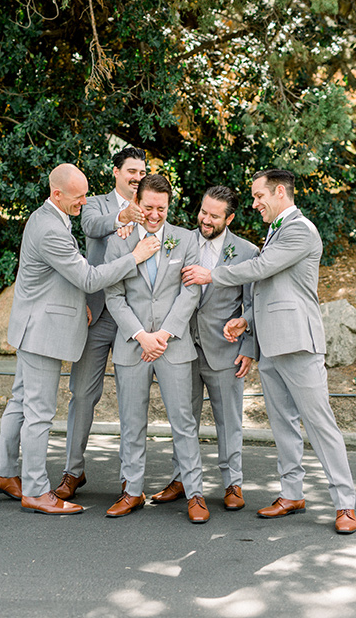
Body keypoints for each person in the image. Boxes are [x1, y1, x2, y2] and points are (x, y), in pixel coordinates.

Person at [182, 169, 356, 535]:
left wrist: (211, 275)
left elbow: (262, 267)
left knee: (320, 424)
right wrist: (246, 320)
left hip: (298, 342)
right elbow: (269, 289)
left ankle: (345, 503)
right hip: (271, 345)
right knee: (283, 425)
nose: (254, 203)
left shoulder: (299, 229)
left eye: (259, 196)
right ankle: (292, 494)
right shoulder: (276, 230)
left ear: (280, 192)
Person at [0, 163, 159, 515]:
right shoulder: (50, 228)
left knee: (21, 401)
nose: (83, 202)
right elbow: (89, 278)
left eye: (84, 195)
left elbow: (59, 277)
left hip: (35, 325)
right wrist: (134, 257)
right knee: (39, 412)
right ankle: (35, 490)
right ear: (57, 194)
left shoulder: (48, 217)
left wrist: (80, 305)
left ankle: (3, 472)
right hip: (43, 332)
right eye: (77, 197)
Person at [104, 174, 210, 523]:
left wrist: (163, 334)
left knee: (183, 423)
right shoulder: (120, 242)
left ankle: (194, 493)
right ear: (137, 202)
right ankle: (132, 491)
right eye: (148, 207)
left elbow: (191, 292)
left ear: (169, 205)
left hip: (173, 346)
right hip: (133, 345)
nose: (154, 214)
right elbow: (114, 295)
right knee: (132, 422)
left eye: (161, 208)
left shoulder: (185, 240)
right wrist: (140, 335)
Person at [151, 186, 259, 511]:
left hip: (224, 350)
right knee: (184, 418)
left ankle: (232, 483)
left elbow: (252, 304)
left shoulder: (247, 252)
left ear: (230, 218)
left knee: (229, 420)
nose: (206, 219)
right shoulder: (180, 241)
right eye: (203, 211)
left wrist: (249, 347)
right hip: (182, 348)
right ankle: (181, 478)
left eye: (214, 215)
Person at [54, 147, 147, 501]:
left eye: (141, 171)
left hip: (132, 318)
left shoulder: (150, 208)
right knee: (82, 395)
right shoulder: (94, 205)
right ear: (116, 172)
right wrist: (123, 217)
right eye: (131, 170)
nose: (136, 177)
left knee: (131, 397)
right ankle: (72, 472)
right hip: (96, 314)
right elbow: (90, 227)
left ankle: (130, 478)